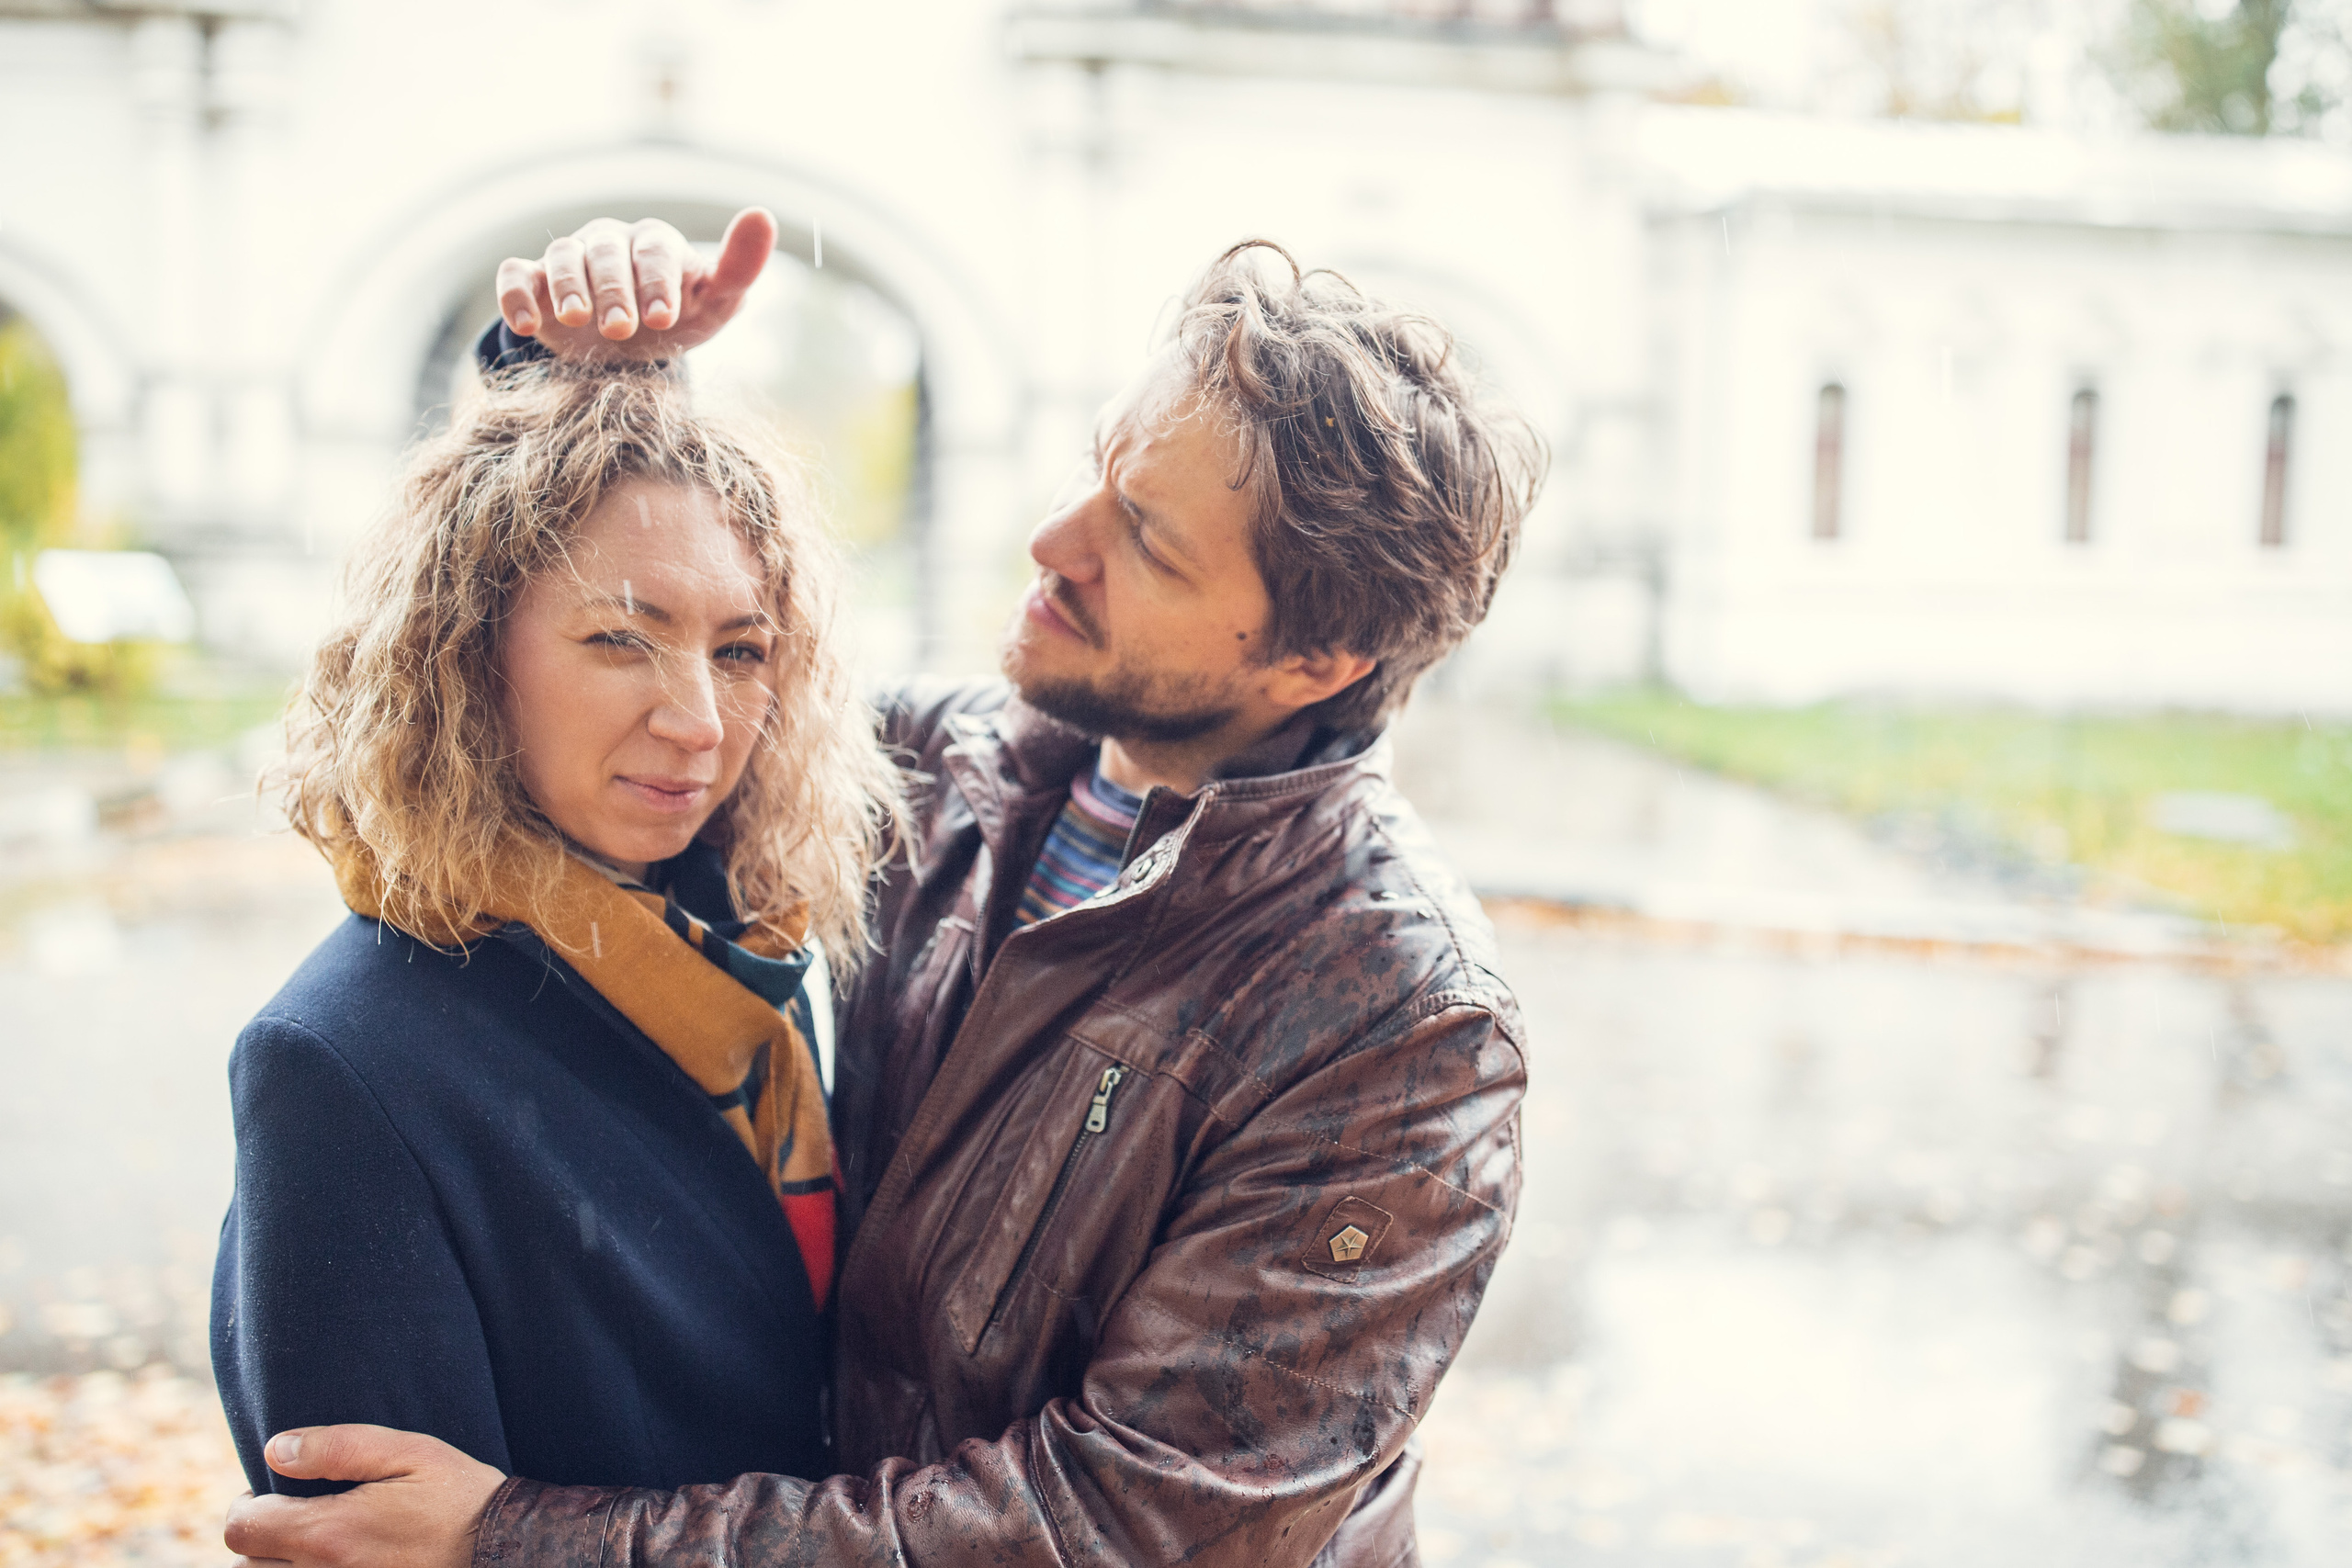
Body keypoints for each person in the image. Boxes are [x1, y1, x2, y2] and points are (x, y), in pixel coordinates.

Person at [224, 211, 1546, 1568]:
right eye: (1098, 471)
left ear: (1314, 659)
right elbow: (572, 720)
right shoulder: (933, 767)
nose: (1054, 538)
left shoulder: (1401, 1020)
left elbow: (1131, 1527)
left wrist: (529, 1544)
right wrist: (583, 383)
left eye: (1146, 544)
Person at [210, 231, 903, 1506]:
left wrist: (599, 377)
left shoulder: (729, 947)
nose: (700, 720)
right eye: (620, 641)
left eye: (742, 652)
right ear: (469, 655)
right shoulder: (346, 1059)